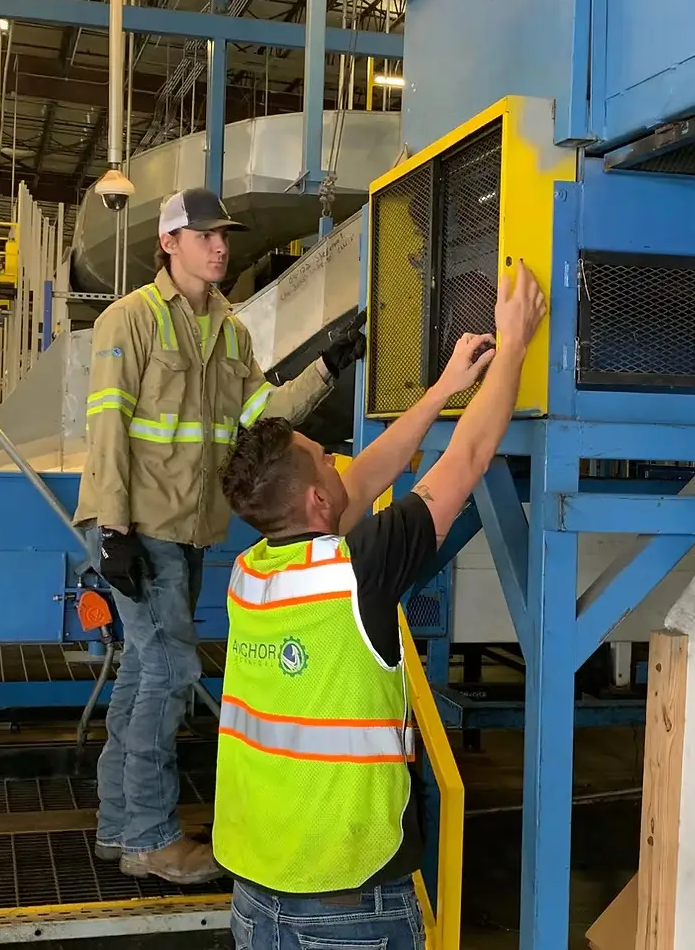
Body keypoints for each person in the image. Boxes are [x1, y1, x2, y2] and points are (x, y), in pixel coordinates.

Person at [212, 262, 547, 947]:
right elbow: (470, 454)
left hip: (254, 895)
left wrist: (445, 387)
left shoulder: (250, 574)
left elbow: (363, 477)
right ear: (314, 502)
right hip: (347, 902)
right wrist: (513, 342)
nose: (341, 461)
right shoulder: (356, 569)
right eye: (325, 459)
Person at [74, 187, 368, 884]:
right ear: (168, 243)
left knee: (144, 674)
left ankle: (121, 827)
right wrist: (113, 528)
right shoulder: (130, 319)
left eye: (223, 236)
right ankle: (149, 836)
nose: (219, 246)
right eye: (203, 235)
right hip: (139, 526)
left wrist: (327, 362)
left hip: (190, 527)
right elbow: (107, 426)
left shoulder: (231, 331)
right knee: (171, 674)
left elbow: (258, 422)